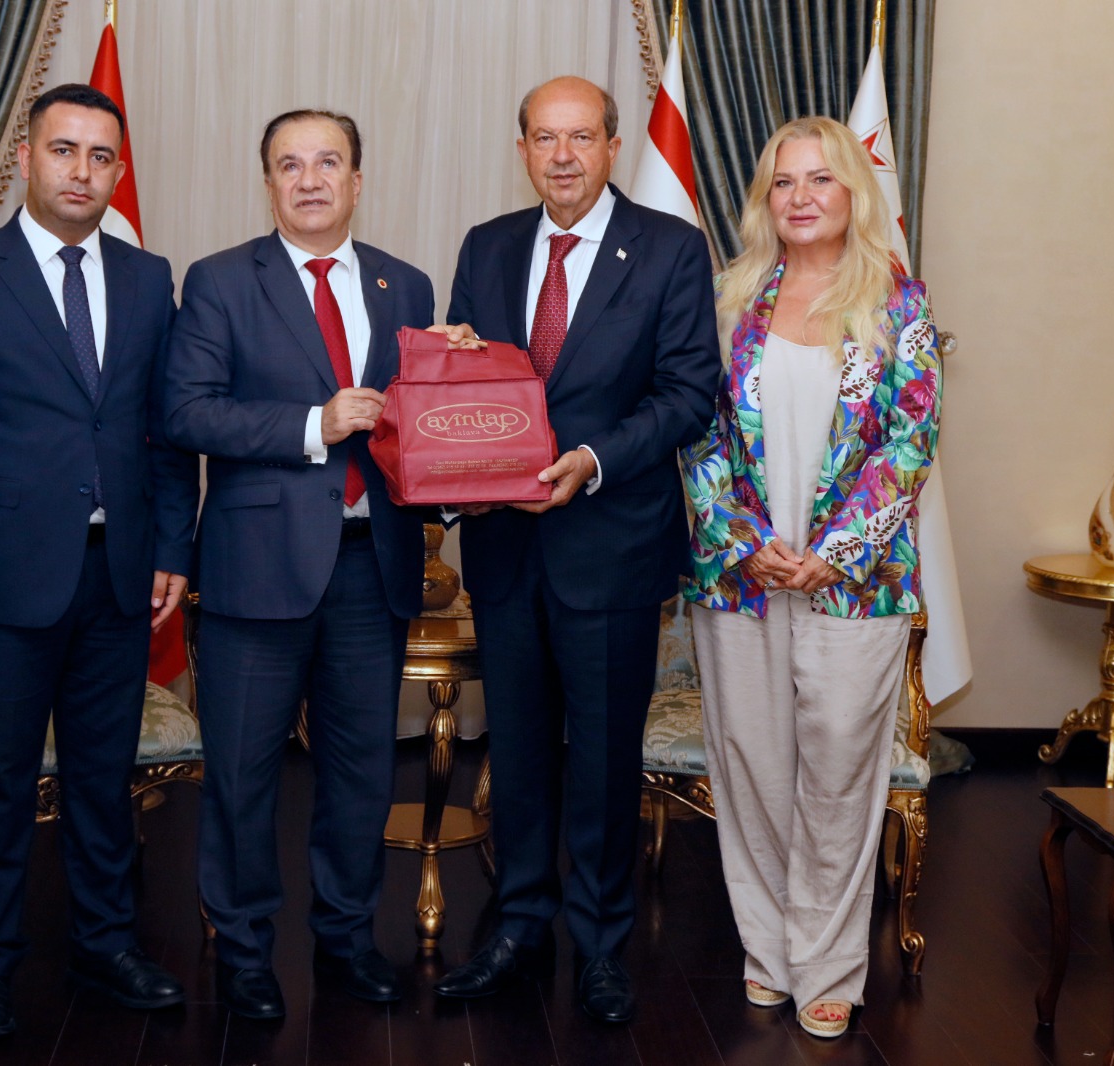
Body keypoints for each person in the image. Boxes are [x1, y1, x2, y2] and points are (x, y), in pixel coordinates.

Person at [0, 83, 200, 1040]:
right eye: (64, 150)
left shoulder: (148, 277)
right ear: (25, 159)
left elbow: (164, 431)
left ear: (118, 170)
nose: (82, 171)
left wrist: (172, 547)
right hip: (0, 580)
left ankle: (105, 945)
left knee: (103, 778)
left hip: (120, 575)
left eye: (101, 156)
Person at [431, 76, 721, 1024]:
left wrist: (593, 459)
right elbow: (461, 388)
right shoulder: (487, 246)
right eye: (545, 138)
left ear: (612, 146)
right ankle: (520, 925)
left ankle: (600, 944)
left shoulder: (670, 248)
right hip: (506, 548)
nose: (563, 156)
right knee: (515, 750)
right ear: (522, 148)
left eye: (582, 137)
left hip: (613, 543)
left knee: (600, 758)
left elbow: (689, 393)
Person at [164, 109, 435, 1020]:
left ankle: (346, 938)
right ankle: (243, 949)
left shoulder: (405, 284)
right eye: (290, 164)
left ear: (358, 180)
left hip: (373, 564)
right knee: (243, 774)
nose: (310, 179)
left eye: (328, 162)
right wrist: (313, 424)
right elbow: (187, 412)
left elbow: (420, 421)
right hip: (256, 569)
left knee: (361, 773)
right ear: (268, 182)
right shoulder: (219, 281)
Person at [680, 115, 942, 1039]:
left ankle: (828, 965)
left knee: (836, 769)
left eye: (820, 179)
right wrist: (742, 537)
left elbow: (910, 443)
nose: (800, 197)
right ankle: (769, 953)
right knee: (752, 764)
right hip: (742, 576)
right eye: (783, 181)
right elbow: (696, 431)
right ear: (765, 199)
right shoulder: (728, 302)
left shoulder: (899, 303)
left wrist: (835, 548)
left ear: (852, 193)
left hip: (853, 581)